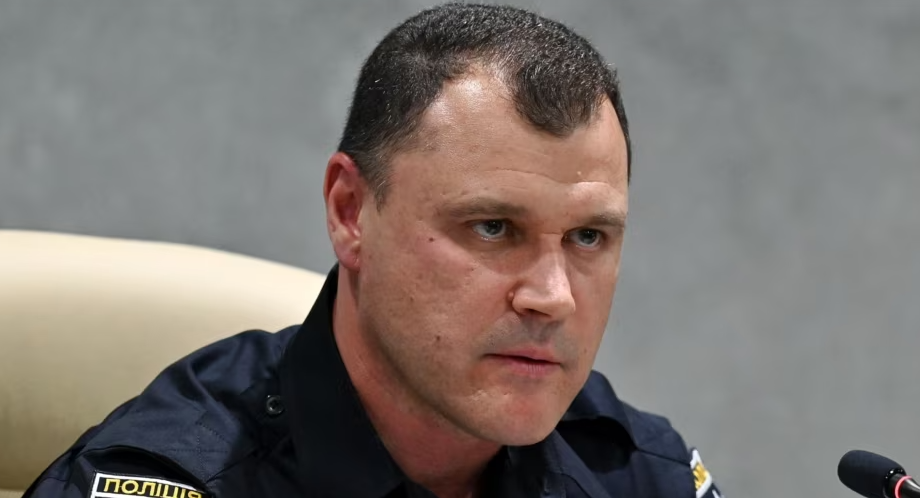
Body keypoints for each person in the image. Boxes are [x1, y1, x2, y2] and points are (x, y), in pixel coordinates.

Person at [24, 3, 722, 498]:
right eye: (492, 227)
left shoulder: (639, 472)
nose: (552, 296)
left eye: (588, 237)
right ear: (350, 212)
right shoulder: (182, 475)